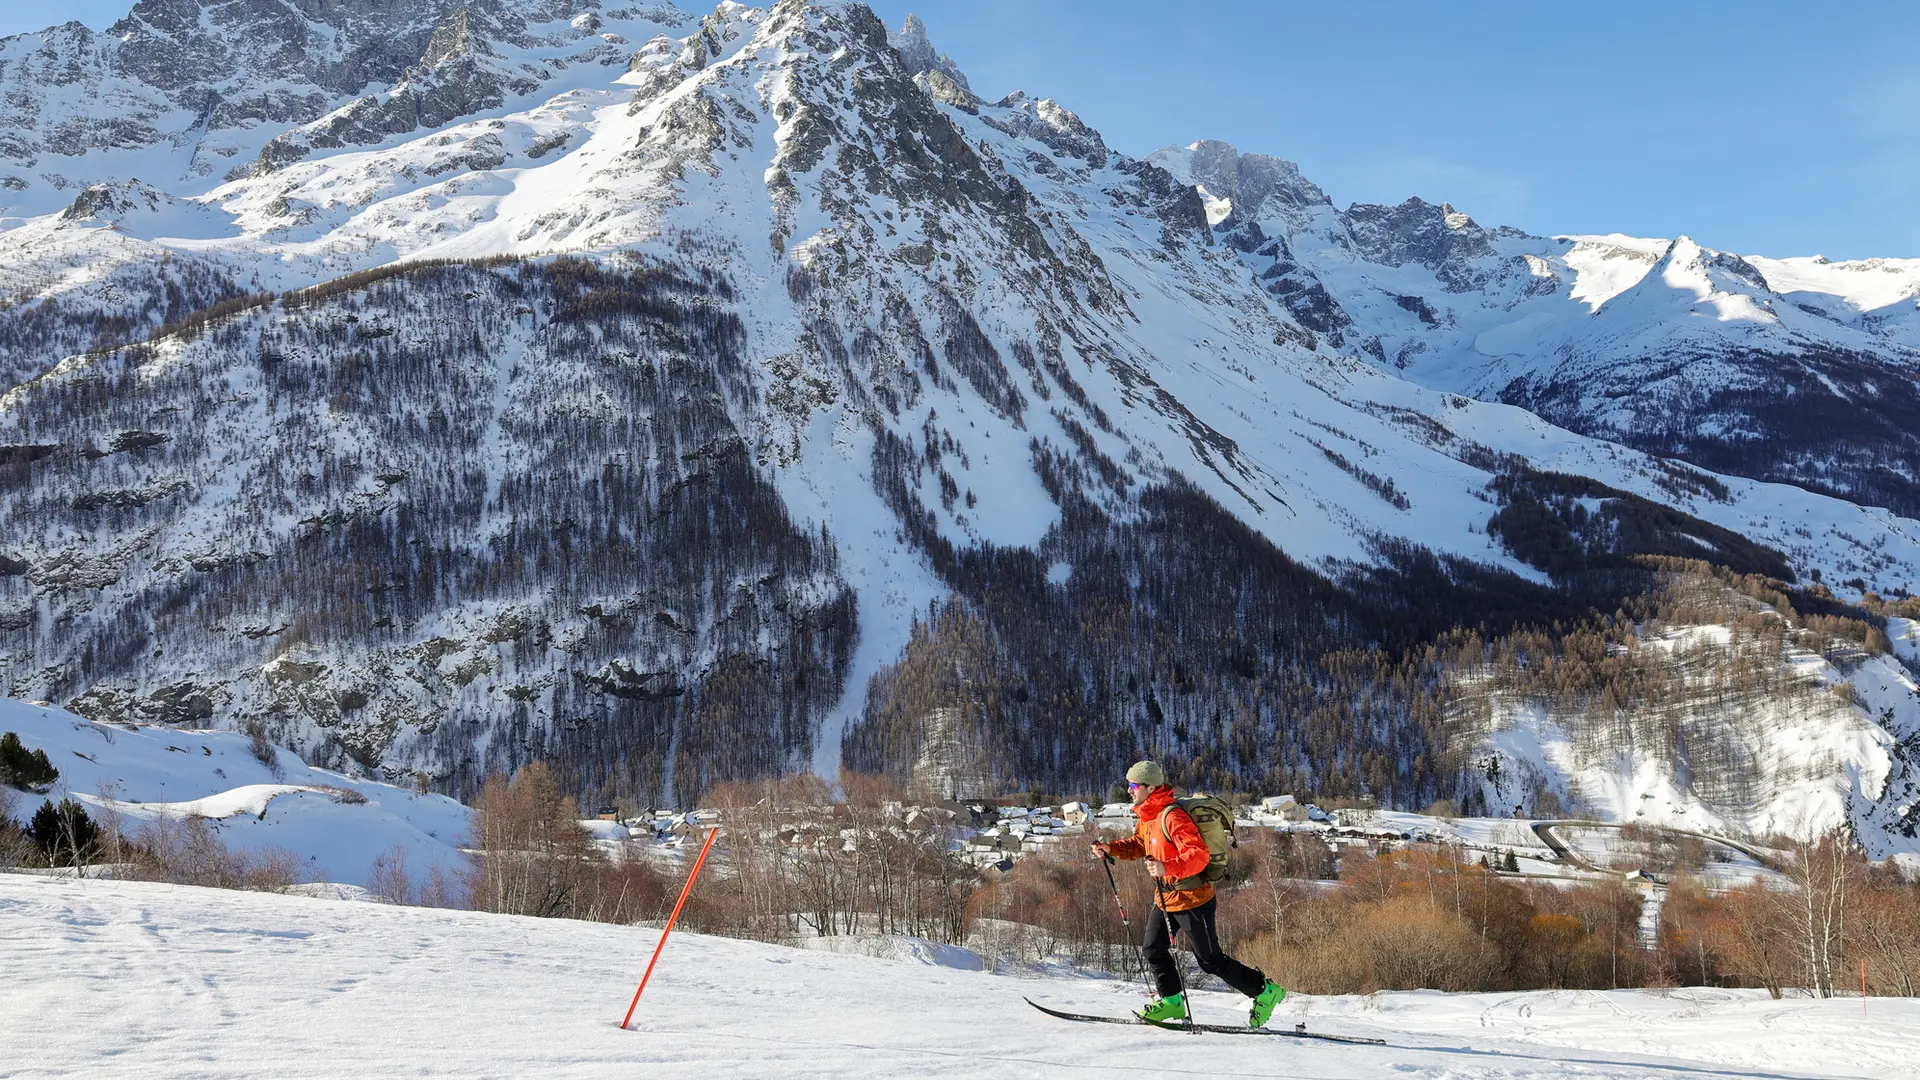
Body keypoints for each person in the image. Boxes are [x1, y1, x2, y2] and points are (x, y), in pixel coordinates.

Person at [1091, 760, 1285, 1027]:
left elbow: (1199, 855)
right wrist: (1110, 848)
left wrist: (1166, 866)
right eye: (1129, 785)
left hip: (1193, 898)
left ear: (1150, 787)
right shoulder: (1148, 816)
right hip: (1166, 898)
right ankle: (1172, 1002)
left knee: (1210, 961)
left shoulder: (1172, 816)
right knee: (1153, 949)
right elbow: (1139, 844)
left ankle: (1265, 992)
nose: (1129, 790)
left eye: (1133, 785)